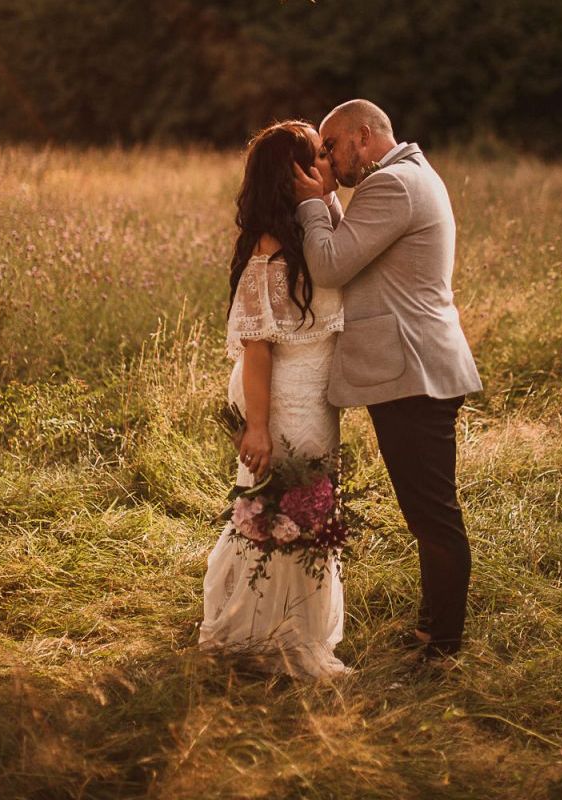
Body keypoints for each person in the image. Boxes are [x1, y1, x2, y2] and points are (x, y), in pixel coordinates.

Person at [293, 99, 483, 664]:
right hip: (416, 371)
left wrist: (310, 203)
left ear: (364, 136)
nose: (327, 159)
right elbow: (352, 250)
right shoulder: (408, 177)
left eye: (331, 147)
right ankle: (433, 630)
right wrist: (328, 197)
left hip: (413, 374)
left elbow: (329, 265)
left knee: (433, 515)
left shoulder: (391, 186)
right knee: (428, 512)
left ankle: (443, 646)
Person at [198, 120, 351, 680]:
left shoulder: (322, 226)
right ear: (294, 174)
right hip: (283, 397)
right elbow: (258, 350)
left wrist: (327, 199)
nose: (330, 160)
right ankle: (259, 634)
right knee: (279, 508)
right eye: (318, 155)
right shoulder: (270, 247)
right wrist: (256, 428)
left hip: (318, 397)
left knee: (310, 507)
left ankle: (295, 628)